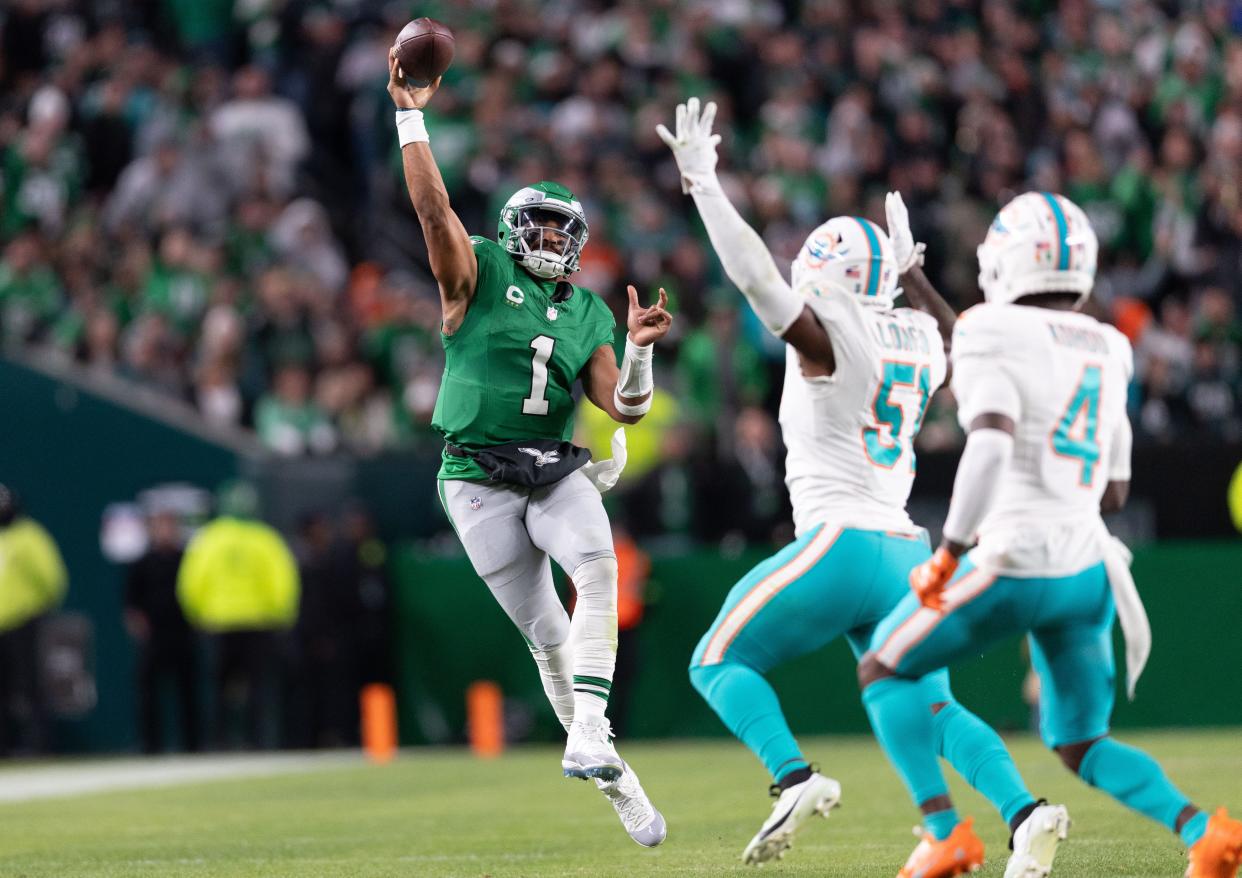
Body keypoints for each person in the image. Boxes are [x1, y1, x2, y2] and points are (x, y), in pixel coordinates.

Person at [661, 98, 1040, 868]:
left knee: (715, 660)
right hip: (906, 551)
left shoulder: (833, 331)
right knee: (934, 706)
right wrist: (913, 273)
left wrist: (704, 185)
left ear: (826, 276)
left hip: (840, 540)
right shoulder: (922, 337)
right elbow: (960, 340)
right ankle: (1025, 813)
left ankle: (792, 777)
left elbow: (755, 277)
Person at [856, 192, 1242, 877]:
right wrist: (916, 280)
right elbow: (1116, 487)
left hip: (1013, 562)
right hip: (1087, 569)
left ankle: (945, 829)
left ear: (1008, 261)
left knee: (884, 667)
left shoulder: (990, 332)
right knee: (1082, 741)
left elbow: (993, 438)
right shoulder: (1108, 344)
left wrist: (949, 552)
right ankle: (1202, 832)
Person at [387, 52, 672, 846]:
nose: (552, 238)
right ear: (515, 229)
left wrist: (641, 349)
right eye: (540, 225)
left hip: (550, 465)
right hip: (474, 472)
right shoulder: (474, 272)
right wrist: (410, 114)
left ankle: (589, 734)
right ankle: (618, 778)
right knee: (547, 635)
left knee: (599, 569)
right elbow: (431, 208)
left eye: (563, 229)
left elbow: (625, 407)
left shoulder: (586, 312)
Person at [177, 482, 300, 750]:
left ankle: (220, 741)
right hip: (258, 622)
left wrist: (196, 613)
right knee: (256, 686)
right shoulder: (265, 538)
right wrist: (282, 615)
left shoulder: (209, 538)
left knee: (219, 687)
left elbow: (190, 582)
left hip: (218, 623)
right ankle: (256, 740)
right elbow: (283, 581)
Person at [125, 508, 200, 753]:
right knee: (148, 693)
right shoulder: (142, 563)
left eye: (170, 526)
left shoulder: (187, 559)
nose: (166, 531)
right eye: (160, 526)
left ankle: (192, 745)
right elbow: (131, 602)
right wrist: (139, 626)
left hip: (182, 633)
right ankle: (151, 745)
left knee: (187, 690)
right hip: (154, 636)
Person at [0, 485, 67, 756]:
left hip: (23, 621)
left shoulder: (29, 536)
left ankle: (40, 746)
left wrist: (42, 607)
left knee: (30, 685)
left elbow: (51, 576)